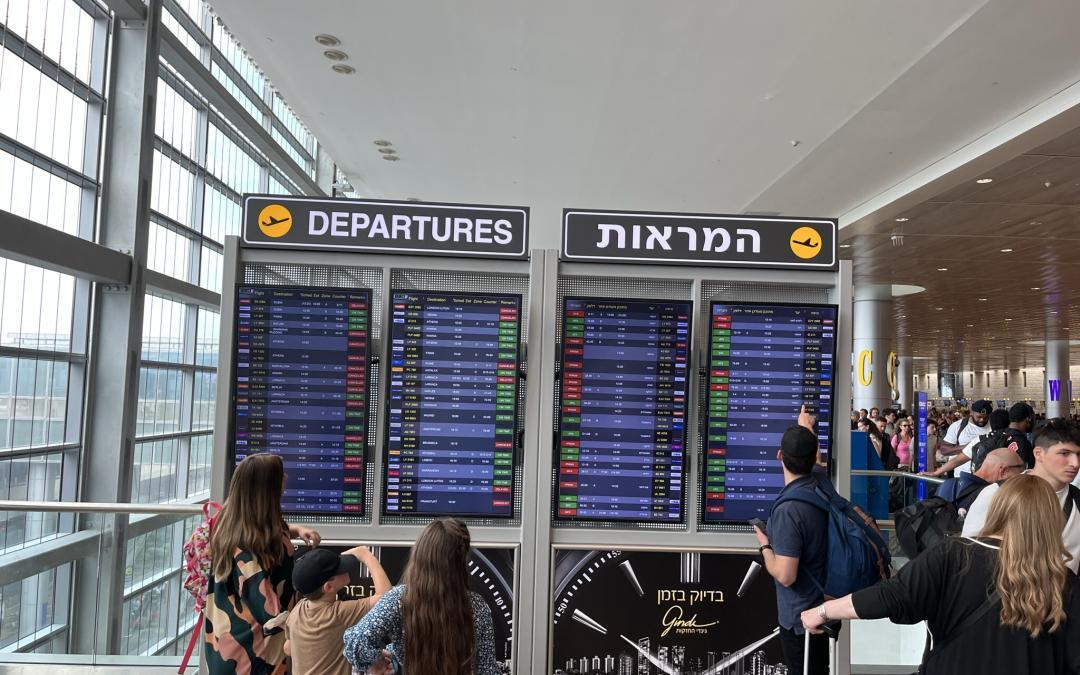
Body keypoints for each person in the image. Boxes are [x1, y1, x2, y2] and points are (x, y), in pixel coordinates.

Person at [802, 475, 1080, 674]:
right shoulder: (1064, 581)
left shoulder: (954, 554)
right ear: (1049, 520)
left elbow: (894, 595)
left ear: (1000, 508)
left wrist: (824, 611)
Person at [204, 453, 321, 674]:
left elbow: (272, 533)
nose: (286, 477)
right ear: (267, 488)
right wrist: (327, 610)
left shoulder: (238, 523)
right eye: (280, 475)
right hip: (253, 657)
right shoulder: (246, 547)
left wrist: (295, 530)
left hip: (227, 645)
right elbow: (270, 612)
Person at [343, 518, 499, 675]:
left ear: (419, 555)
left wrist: (375, 661)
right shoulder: (476, 607)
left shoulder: (399, 599)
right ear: (461, 561)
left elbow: (356, 642)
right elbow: (487, 669)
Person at [752, 406, 831, 675]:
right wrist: (805, 427)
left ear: (779, 456)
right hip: (819, 609)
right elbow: (816, 458)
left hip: (800, 622)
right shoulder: (819, 481)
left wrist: (765, 545)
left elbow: (785, 575)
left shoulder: (788, 511)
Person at [963, 418, 1080, 572]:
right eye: (1064, 453)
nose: (1075, 463)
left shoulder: (1076, 502)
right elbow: (968, 553)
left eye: (1078, 455)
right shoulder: (996, 494)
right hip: (997, 591)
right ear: (1039, 453)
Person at [284, 546, 392, 675]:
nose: (346, 569)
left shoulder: (298, 609)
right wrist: (366, 556)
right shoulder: (338, 614)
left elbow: (288, 648)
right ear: (328, 587)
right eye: (340, 569)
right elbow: (386, 597)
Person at [935, 447, 1026, 513]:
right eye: (1016, 477)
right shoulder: (991, 497)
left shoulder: (947, 484)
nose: (1016, 483)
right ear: (1003, 471)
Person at [928, 408, 1010, 478]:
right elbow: (950, 454)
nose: (982, 420)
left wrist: (936, 472)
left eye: (985, 418)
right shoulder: (1014, 439)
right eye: (979, 417)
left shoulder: (981, 439)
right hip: (969, 475)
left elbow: (958, 460)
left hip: (987, 478)